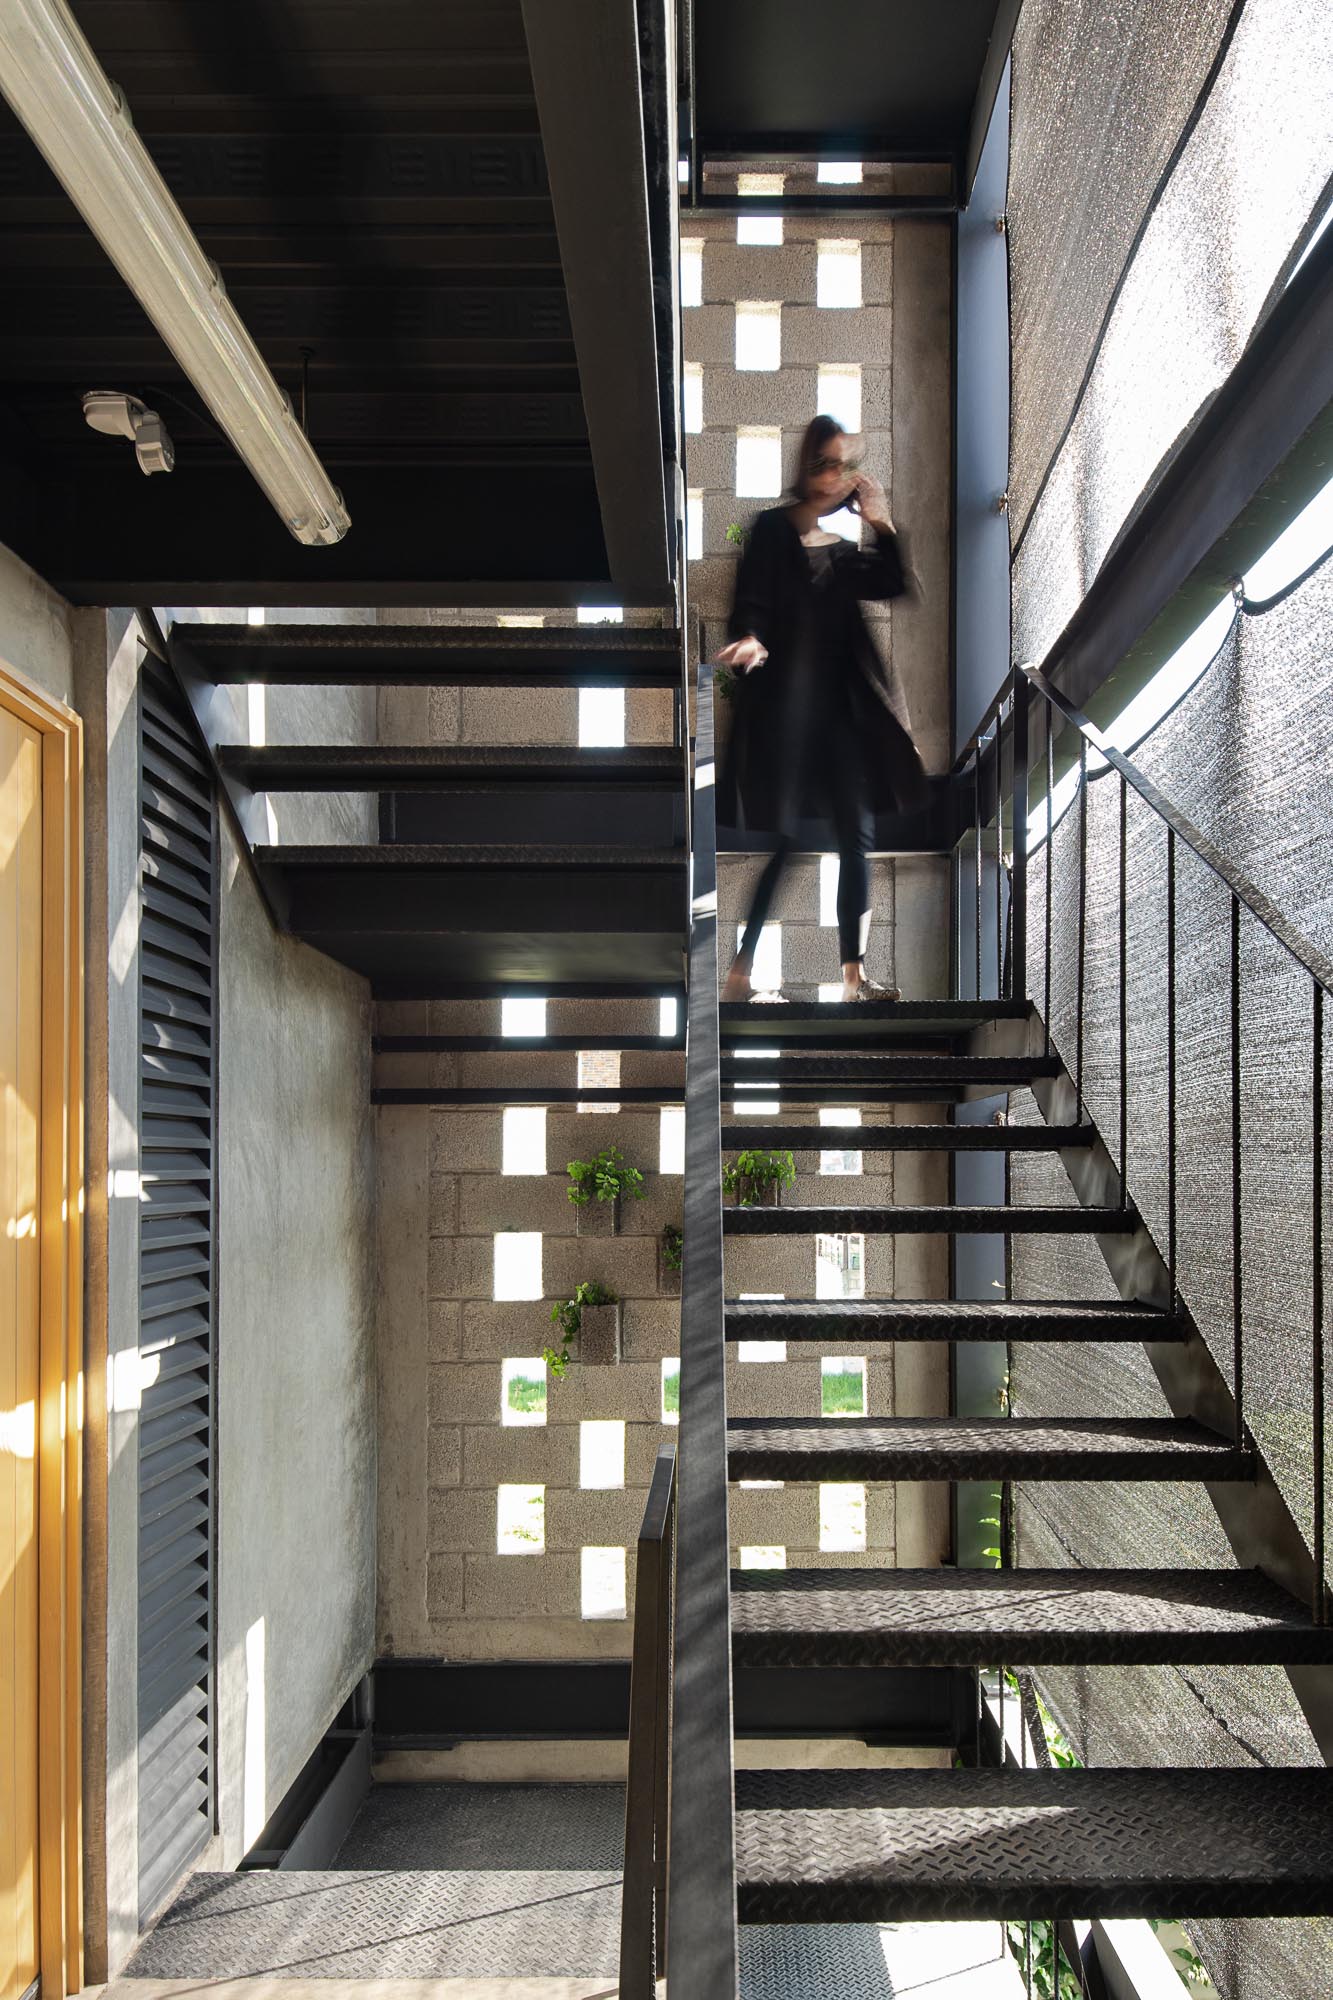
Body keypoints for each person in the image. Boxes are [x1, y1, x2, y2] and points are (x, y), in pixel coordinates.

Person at [716, 414, 929, 1002]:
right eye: (828, 464)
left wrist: (879, 517)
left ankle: (854, 976)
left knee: (854, 838)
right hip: (788, 720)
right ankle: (739, 973)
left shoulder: (840, 550)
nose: (838, 476)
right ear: (808, 468)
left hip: (843, 723)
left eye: (846, 466)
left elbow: (892, 582)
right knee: (788, 845)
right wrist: (752, 639)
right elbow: (751, 600)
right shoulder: (770, 531)